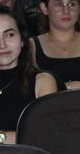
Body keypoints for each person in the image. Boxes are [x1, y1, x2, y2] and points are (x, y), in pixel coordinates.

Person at [0, 8, 58, 145]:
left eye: (9, 35)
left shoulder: (42, 81)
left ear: (22, 40)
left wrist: (2, 137)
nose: (2, 44)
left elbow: (44, 137)